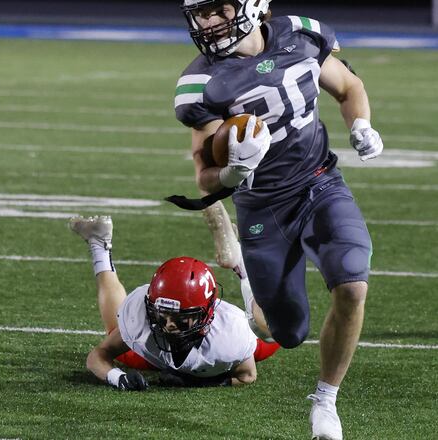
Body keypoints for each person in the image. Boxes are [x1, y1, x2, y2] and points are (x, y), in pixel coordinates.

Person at [174, 1, 383, 438]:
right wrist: (231, 172)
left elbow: (348, 86)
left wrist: (361, 124)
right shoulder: (202, 82)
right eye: (200, 13)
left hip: (320, 182)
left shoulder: (302, 34)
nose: (207, 22)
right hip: (262, 207)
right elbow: (204, 178)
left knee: (351, 282)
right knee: (287, 332)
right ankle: (250, 283)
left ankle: (325, 401)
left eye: (217, 9)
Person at [69, 216, 279, 390]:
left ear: (206, 315)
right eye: (163, 313)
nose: (169, 324)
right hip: (165, 355)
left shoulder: (229, 337)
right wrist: (118, 378)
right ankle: (99, 243)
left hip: (249, 345)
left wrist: (203, 381)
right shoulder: (141, 314)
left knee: (274, 331)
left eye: (181, 317)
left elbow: (247, 376)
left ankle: (245, 261)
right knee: (119, 339)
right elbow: (98, 355)